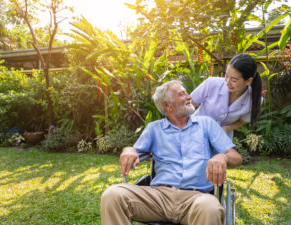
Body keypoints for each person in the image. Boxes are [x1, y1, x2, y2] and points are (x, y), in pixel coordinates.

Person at [100, 80, 242, 225]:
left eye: (186, 92)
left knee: (210, 208)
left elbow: (236, 158)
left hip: (197, 199)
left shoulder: (207, 124)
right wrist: (128, 150)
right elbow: (135, 150)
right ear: (167, 106)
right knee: (113, 195)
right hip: (158, 198)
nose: (189, 97)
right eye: (182, 94)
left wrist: (222, 157)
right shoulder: (154, 129)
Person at [190, 54, 262, 139]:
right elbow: (189, 102)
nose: (227, 82)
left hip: (222, 140)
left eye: (234, 80)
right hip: (194, 134)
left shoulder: (254, 99)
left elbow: (242, 121)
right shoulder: (211, 83)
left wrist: (227, 128)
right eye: (226, 76)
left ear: (248, 81)